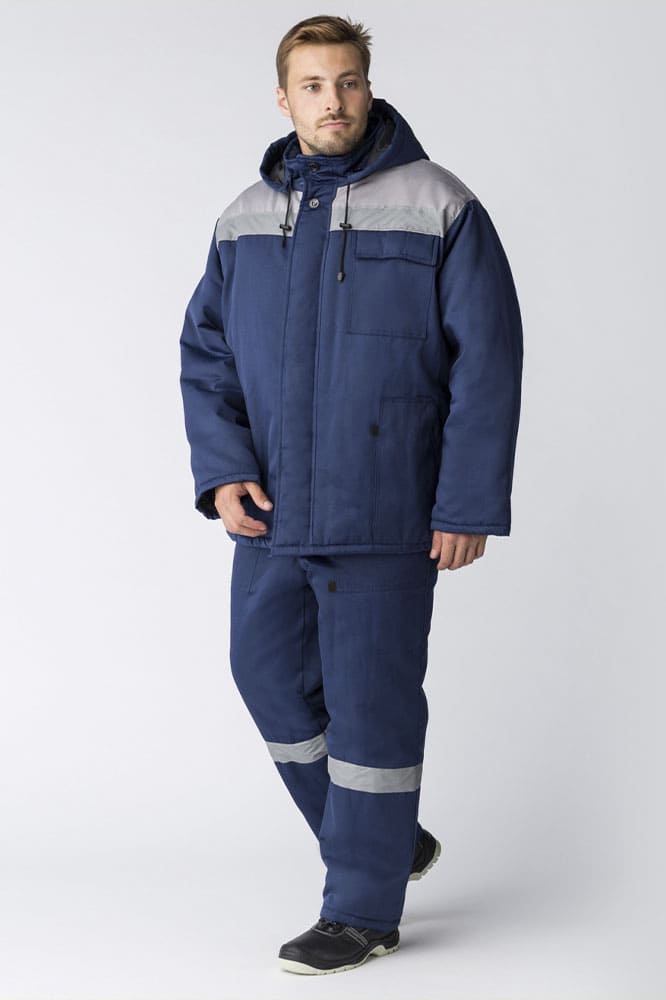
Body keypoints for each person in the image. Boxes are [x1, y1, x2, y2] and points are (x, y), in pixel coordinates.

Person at [179, 13, 523, 976]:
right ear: (283, 98)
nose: (333, 101)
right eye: (314, 85)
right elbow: (207, 354)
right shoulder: (245, 217)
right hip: (273, 512)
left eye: (349, 82)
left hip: (387, 505)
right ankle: (385, 838)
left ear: (369, 88)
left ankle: (362, 911)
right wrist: (223, 469)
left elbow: (488, 362)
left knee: (372, 710)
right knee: (266, 675)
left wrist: (465, 504)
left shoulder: (439, 203)